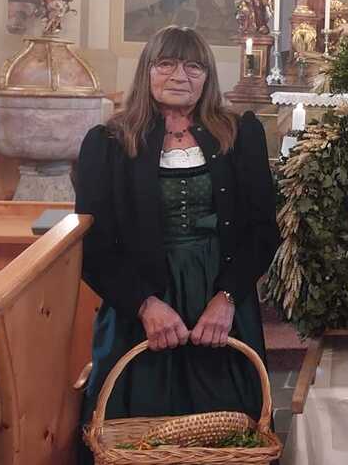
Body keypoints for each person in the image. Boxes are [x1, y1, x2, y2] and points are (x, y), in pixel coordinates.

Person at [75, 26, 279, 462]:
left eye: (193, 66)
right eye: (165, 63)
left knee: (230, 428)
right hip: (140, 301)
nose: (179, 75)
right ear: (147, 71)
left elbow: (262, 229)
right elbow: (93, 246)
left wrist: (227, 299)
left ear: (208, 76)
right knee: (135, 431)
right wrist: (145, 305)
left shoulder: (240, 134)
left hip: (219, 298)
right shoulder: (108, 142)